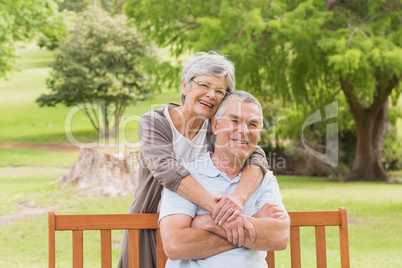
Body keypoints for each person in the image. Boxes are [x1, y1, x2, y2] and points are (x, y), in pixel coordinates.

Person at [118, 52, 269, 268]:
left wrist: (237, 199)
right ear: (185, 86)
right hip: (150, 225)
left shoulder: (217, 129)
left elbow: (257, 155)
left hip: (197, 229)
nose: (211, 95)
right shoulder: (155, 122)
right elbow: (169, 173)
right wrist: (226, 214)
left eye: (220, 91)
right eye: (204, 85)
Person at [159, 91, 290, 267]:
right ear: (215, 125)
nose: (243, 131)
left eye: (253, 124)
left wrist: (210, 223)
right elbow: (175, 245)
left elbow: (279, 237)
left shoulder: (264, 179)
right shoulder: (189, 176)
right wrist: (253, 224)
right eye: (234, 121)